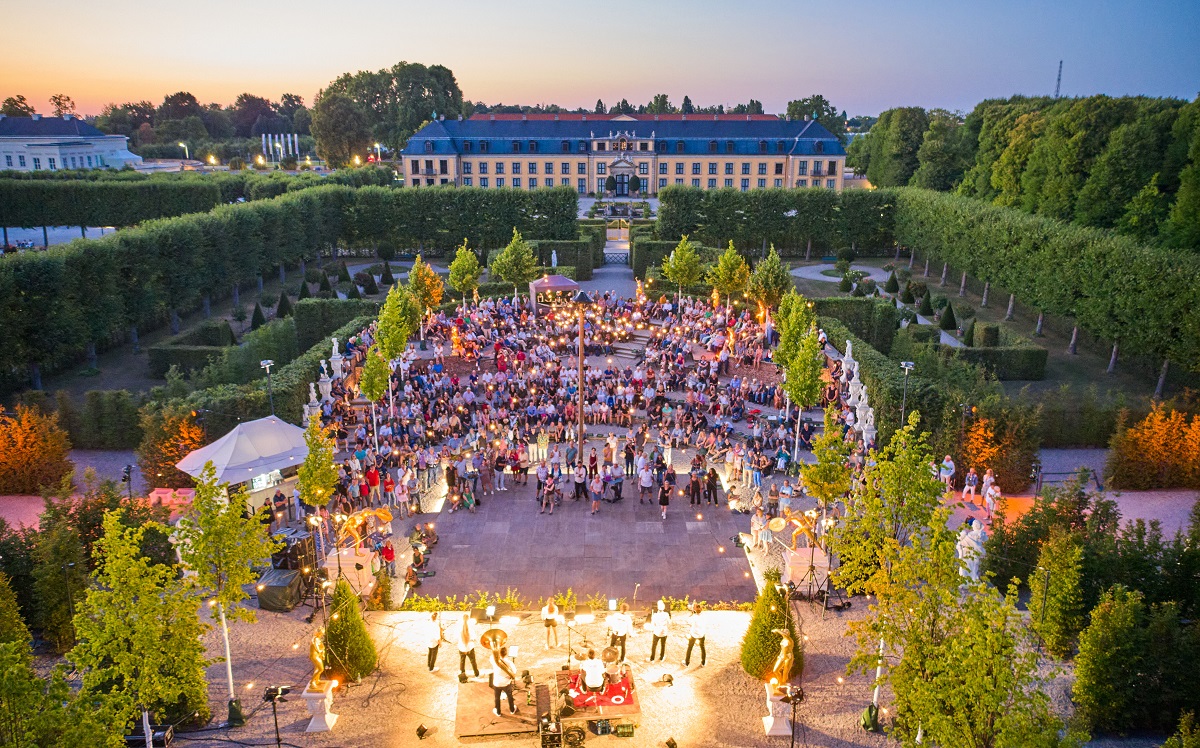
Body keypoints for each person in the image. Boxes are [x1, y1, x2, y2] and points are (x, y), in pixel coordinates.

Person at [490, 645, 519, 716]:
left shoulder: (494, 660)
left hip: (497, 683)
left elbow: (491, 656)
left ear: (499, 653)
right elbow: (514, 672)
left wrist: (495, 651)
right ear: (506, 653)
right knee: (510, 696)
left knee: (497, 698)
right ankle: (512, 710)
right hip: (506, 683)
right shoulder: (509, 663)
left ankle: (498, 712)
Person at [683, 603, 706, 667]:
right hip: (701, 634)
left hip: (694, 635)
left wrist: (692, 613)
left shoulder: (693, 617)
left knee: (689, 648)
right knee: (702, 648)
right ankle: (703, 662)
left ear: (695, 610)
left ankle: (687, 663)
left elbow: (688, 622)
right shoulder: (704, 616)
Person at [457, 613, 480, 679]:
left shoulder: (459, 627)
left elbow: (456, 637)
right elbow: (474, 637)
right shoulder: (470, 627)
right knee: (473, 661)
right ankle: (476, 674)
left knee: (462, 661)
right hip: (470, 647)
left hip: (461, 648)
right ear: (468, 619)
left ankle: (462, 673)